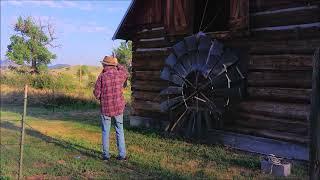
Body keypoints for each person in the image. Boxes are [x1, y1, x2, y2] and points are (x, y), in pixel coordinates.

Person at [93, 56, 128, 161]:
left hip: (106, 109)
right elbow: (126, 72)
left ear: (105, 65)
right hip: (118, 108)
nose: (102, 65)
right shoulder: (120, 74)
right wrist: (118, 64)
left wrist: (102, 98)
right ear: (114, 65)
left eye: (103, 64)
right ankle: (122, 155)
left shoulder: (102, 77)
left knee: (105, 131)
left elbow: (96, 94)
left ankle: (106, 156)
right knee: (119, 130)